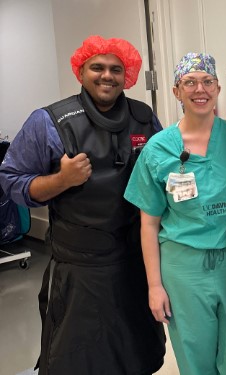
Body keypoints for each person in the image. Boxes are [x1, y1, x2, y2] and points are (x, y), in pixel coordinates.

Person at [0, 35, 166, 374]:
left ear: (128, 75)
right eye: (97, 67)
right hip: (80, 269)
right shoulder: (48, 121)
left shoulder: (144, 118)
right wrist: (62, 180)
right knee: (78, 360)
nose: (107, 76)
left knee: (138, 354)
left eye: (116, 69)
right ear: (81, 71)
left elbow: (167, 171)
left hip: (136, 264)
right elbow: (11, 180)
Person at [124, 52, 226, 375]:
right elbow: (148, 224)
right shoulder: (158, 149)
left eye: (207, 81)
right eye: (189, 82)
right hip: (183, 269)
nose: (199, 89)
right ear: (176, 91)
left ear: (218, 88)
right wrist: (154, 286)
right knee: (194, 357)